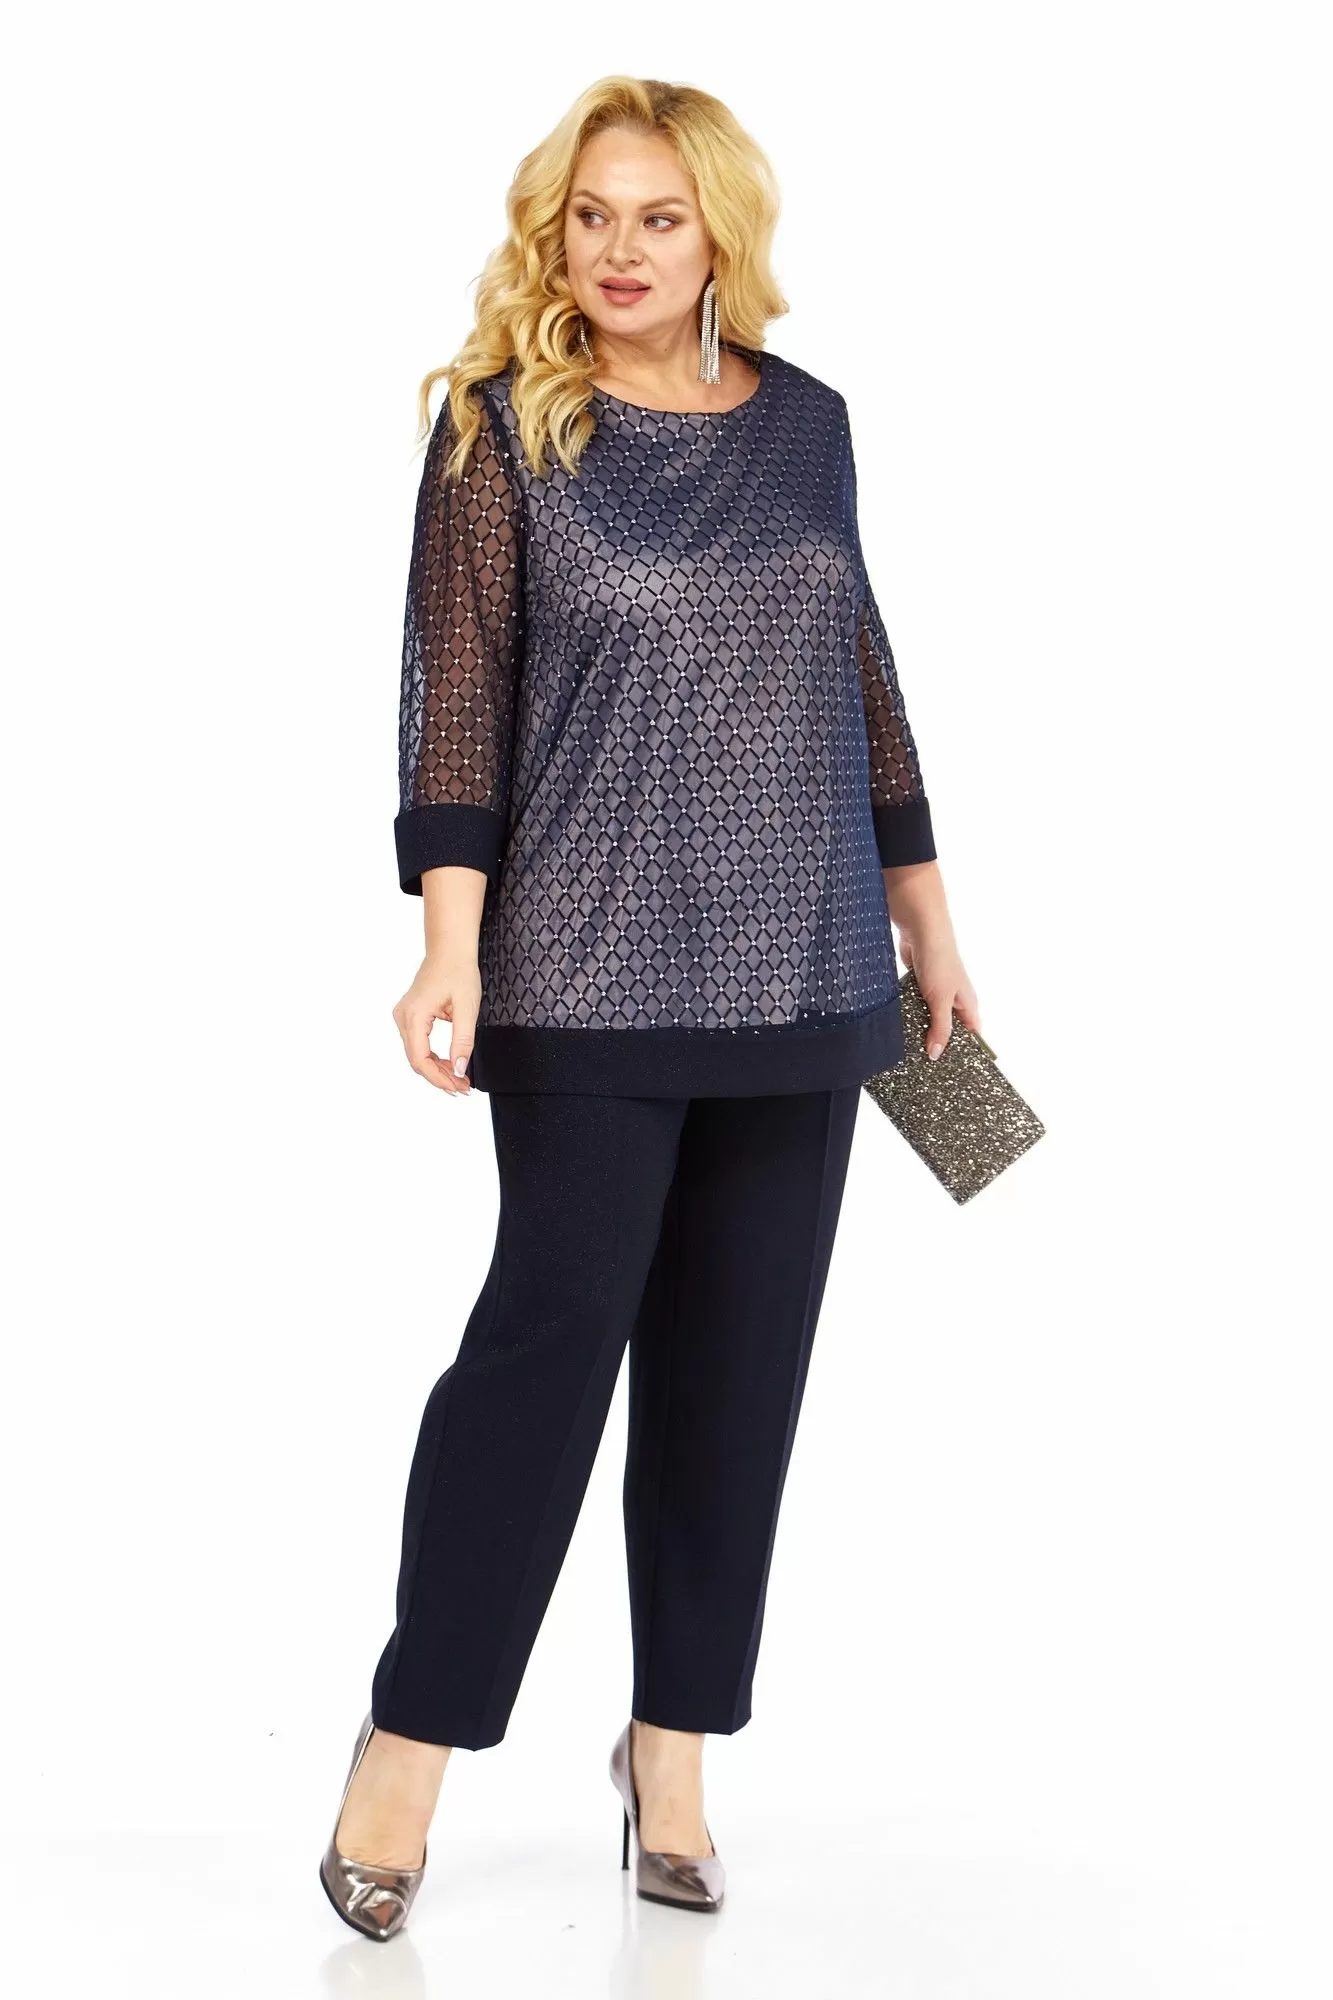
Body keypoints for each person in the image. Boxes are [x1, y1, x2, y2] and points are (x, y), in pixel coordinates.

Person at [319, 74, 980, 1942]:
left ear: (720, 235)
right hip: (587, 968)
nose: (619, 250)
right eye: (590, 215)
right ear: (555, 231)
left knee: (740, 1377)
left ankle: (671, 1754)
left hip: (813, 967)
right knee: (541, 1363)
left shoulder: (811, 423)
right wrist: (448, 943)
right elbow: (457, 695)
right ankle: (408, 1744)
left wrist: (931, 927)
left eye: (659, 217)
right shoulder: (495, 426)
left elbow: (861, 678)